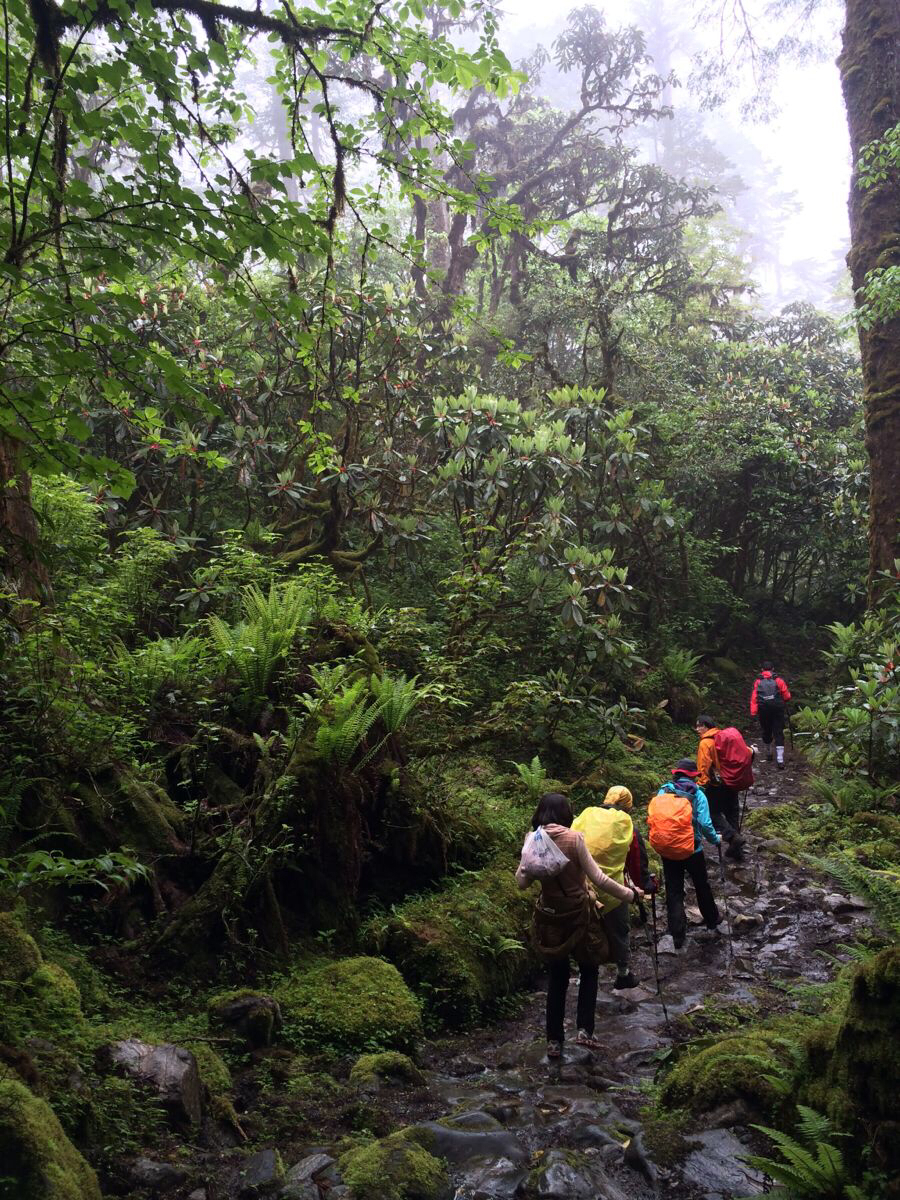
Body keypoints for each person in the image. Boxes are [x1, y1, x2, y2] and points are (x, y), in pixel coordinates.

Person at [516, 792, 643, 1058]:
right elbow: (598, 878)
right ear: (565, 814)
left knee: (558, 977)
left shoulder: (533, 840)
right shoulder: (574, 838)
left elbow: (522, 882)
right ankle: (585, 1030)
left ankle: (554, 1041)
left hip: (550, 917)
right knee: (589, 969)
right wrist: (629, 895)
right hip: (579, 915)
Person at [572, 786, 647, 991]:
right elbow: (635, 859)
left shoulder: (587, 814)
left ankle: (584, 974)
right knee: (620, 930)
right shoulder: (626, 824)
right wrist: (640, 887)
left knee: (587, 931)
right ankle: (623, 974)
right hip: (614, 889)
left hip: (584, 888)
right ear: (628, 806)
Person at [651, 759, 722, 950]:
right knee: (701, 885)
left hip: (668, 850)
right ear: (692, 775)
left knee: (674, 890)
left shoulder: (663, 791)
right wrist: (716, 840)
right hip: (693, 849)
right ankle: (712, 922)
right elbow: (706, 824)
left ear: (676, 774)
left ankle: (677, 934)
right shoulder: (697, 794)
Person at [695, 715, 746, 860]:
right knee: (732, 813)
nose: (697, 729)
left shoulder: (706, 743)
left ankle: (732, 837)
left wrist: (701, 785)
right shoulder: (725, 737)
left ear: (707, 726)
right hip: (731, 780)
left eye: (700, 726)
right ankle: (737, 850)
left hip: (715, 785)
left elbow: (704, 765)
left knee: (713, 813)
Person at [750, 661, 791, 770]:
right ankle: (780, 759)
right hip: (777, 710)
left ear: (762, 670)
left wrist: (754, 712)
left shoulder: (758, 682)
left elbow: (754, 698)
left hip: (764, 710)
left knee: (766, 731)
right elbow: (787, 696)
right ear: (773, 669)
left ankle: (768, 752)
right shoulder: (778, 680)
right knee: (778, 732)